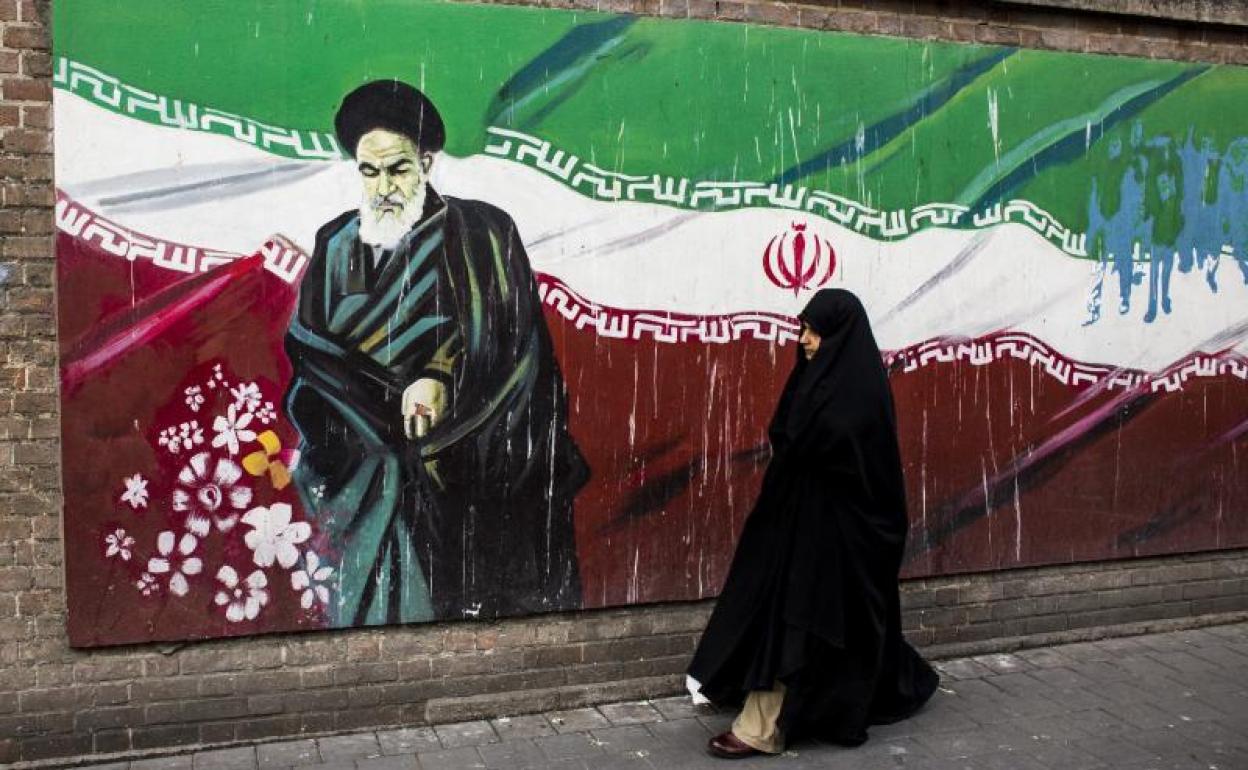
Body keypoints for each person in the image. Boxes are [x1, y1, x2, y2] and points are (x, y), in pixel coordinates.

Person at [283, 80, 587, 627]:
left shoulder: (481, 234)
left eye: (397, 169)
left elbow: (513, 345)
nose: (383, 187)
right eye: (369, 172)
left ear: (426, 161)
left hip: (465, 447)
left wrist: (440, 378)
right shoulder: (337, 243)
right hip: (363, 456)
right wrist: (371, 409)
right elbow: (312, 350)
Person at [687, 288, 939, 758]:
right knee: (827, 626)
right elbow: (791, 436)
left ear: (837, 334)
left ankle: (761, 727)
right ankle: (889, 687)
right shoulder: (817, 380)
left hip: (842, 537)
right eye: (803, 329)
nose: (803, 340)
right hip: (801, 526)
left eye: (813, 331)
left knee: (798, 620)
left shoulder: (859, 394)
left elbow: (862, 471)